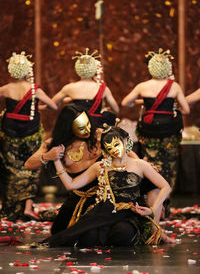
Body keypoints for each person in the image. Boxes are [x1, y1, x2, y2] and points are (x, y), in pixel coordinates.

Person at [30, 126, 171, 248]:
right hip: (104, 211)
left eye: (117, 144)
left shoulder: (139, 165)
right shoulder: (100, 166)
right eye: (109, 148)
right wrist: (56, 161)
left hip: (129, 213)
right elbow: (70, 185)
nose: (114, 150)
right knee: (88, 238)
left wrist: (152, 209)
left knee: (123, 234)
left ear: (126, 141)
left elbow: (165, 187)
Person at [121, 49, 190, 195]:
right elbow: (187, 110)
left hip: (149, 130)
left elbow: (126, 102)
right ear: (167, 68)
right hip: (169, 130)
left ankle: (151, 197)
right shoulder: (174, 86)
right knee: (169, 165)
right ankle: (165, 202)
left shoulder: (142, 86)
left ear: (150, 68)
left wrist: (146, 103)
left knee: (150, 163)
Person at [24, 104, 102, 230]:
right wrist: (47, 156)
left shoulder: (99, 135)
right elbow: (28, 165)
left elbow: (126, 150)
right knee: (59, 229)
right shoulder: (55, 143)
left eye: (88, 124)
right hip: (78, 198)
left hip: (104, 196)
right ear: (68, 127)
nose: (87, 130)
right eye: (81, 127)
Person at [0, 51, 57, 221]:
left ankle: (10, 207)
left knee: (11, 170)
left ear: (11, 70)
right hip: (31, 134)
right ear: (27, 70)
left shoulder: (5, 89)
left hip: (9, 135)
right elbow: (53, 106)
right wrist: (37, 107)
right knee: (32, 168)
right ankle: (27, 207)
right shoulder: (34, 90)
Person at [51, 48, 119, 127]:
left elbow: (52, 105)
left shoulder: (69, 88)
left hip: (75, 129)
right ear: (94, 69)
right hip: (96, 127)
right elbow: (116, 110)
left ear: (77, 69)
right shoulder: (104, 89)